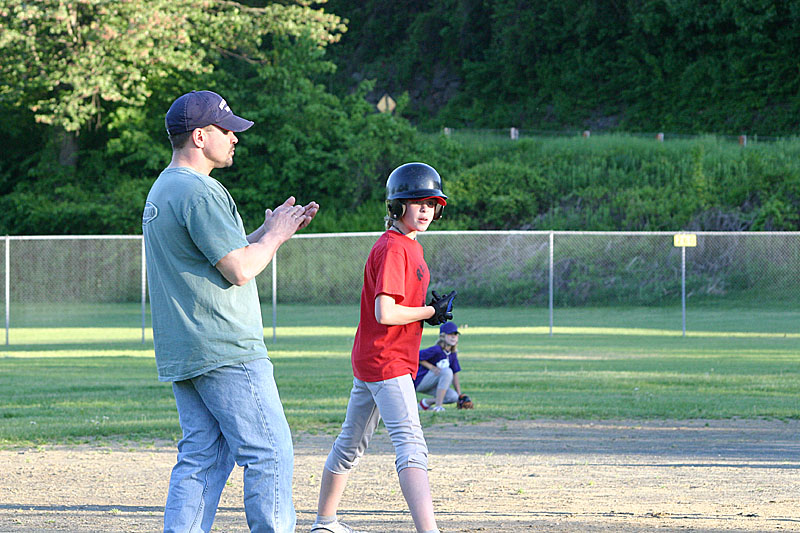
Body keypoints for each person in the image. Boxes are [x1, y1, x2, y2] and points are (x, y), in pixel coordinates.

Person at [142, 89, 319, 533]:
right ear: (200, 136)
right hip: (226, 347)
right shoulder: (201, 191)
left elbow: (219, 251)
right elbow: (240, 267)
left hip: (187, 347)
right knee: (270, 452)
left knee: (203, 457)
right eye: (226, 129)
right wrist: (273, 237)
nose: (234, 137)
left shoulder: (165, 187)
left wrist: (272, 228)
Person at [310, 162, 456, 533]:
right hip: (385, 358)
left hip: (380, 356)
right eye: (416, 202)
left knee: (351, 443)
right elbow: (385, 311)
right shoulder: (394, 248)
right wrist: (429, 312)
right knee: (411, 444)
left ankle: (324, 522)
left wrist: (426, 315)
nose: (425, 210)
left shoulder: (409, 246)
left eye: (431, 203)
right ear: (397, 206)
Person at [415, 322, 464, 412]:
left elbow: (455, 374)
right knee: (447, 371)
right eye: (450, 334)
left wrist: (460, 395)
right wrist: (431, 367)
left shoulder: (452, 354)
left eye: (455, 334)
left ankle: (425, 403)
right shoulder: (436, 349)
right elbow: (416, 356)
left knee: (453, 397)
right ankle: (438, 406)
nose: (453, 337)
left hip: (434, 385)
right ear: (442, 336)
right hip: (420, 381)